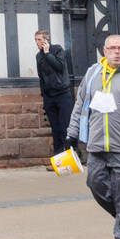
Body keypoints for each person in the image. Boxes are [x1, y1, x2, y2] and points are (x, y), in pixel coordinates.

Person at [66, 33, 120, 239]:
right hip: (96, 144)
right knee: (95, 184)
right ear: (104, 50)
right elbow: (80, 105)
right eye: (113, 48)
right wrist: (71, 134)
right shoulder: (92, 74)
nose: (117, 52)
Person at [34, 29, 74, 164]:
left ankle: (72, 157)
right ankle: (59, 161)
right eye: (36, 40)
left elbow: (60, 67)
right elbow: (41, 77)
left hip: (63, 94)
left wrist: (47, 53)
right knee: (55, 129)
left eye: (39, 39)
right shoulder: (38, 56)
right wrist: (44, 96)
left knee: (65, 127)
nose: (37, 42)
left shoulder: (57, 50)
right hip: (49, 96)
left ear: (46, 40)